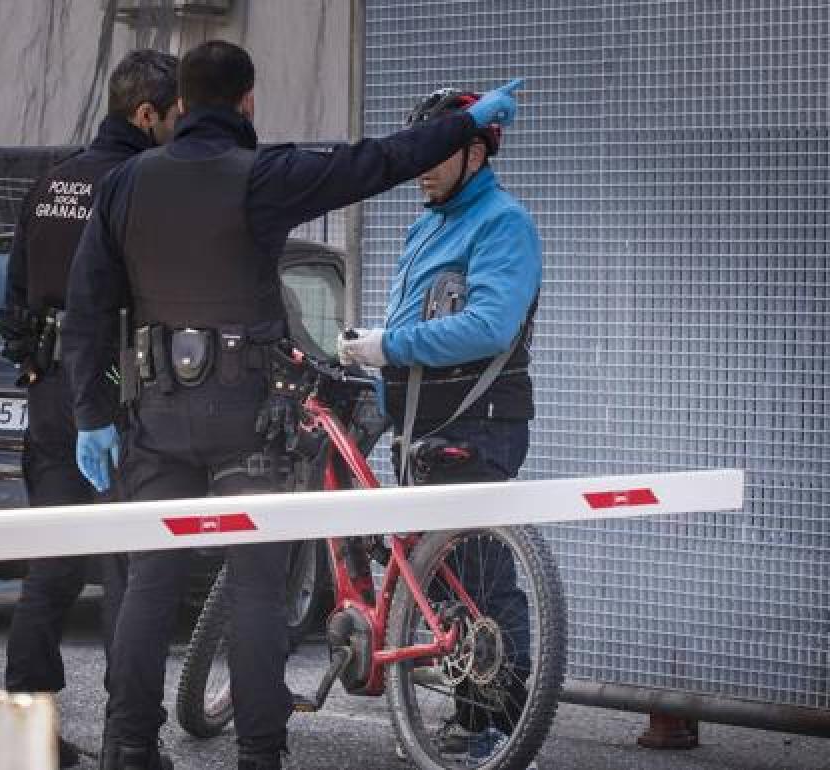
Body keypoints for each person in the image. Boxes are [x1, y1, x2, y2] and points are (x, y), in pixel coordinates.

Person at [62, 38, 523, 770]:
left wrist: (91, 415)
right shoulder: (262, 175)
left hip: (155, 415)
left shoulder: (124, 184)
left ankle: (127, 748)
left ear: (181, 104)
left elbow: (84, 310)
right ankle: (259, 755)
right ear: (247, 101)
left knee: (150, 579)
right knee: (254, 586)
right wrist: (465, 127)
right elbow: (376, 161)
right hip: (249, 416)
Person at [337, 86, 541, 766]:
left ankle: (506, 730)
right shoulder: (429, 221)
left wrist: (388, 346)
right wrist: (374, 353)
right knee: (445, 579)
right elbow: (423, 318)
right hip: (421, 422)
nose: (419, 166)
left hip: (477, 422)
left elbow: (489, 324)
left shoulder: (503, 224)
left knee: (481, 578)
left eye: (436, 153)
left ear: (476, 153)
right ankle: (469, 718)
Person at [0, 49, 180, 769]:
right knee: (128, 574)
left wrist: (37, 362)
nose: (176, 131)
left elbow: (12, 291)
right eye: (173, 118)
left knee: (50, 570)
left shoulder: (51, 181)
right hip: (116, 393)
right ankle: (125, 744)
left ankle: (24, 740)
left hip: (51, 394)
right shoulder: (139, 182)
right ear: (146, 115)